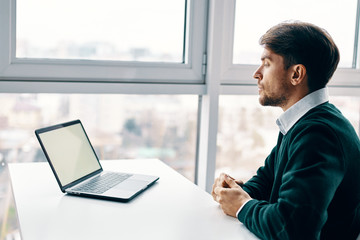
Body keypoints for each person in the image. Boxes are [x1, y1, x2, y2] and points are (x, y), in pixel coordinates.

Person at [211, 21, 360, 240]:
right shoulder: (304, 123)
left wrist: (242, 206)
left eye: (267, 63)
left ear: (296, 74)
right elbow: (267, 181)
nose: (257, 73)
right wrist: (233, 192)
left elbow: (292, 229)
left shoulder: (318, 135)